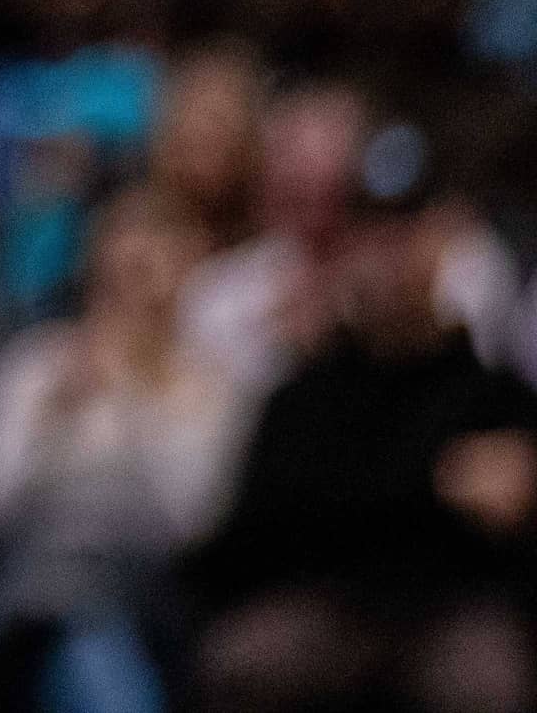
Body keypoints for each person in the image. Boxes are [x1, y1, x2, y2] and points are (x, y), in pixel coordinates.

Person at [189, 124, 537, 713]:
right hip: (327, 606)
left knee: (486, 682)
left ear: (443, 242)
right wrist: (437, 483)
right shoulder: (303, 393)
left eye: (409, 228)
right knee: (249, 660)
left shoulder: (496, 396)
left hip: (452, 616)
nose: (390, 252)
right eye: (372, 230)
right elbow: (248, 540)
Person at [0, 188, 243, 713]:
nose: (128, 303)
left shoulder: (209, 386)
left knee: (90, 644)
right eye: (116, 282)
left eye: (145, 280)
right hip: (23, 587)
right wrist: (52, 418)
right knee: (74, 636)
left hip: (144, 597)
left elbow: (190, 524)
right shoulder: (34, 364)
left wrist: (132, 400)